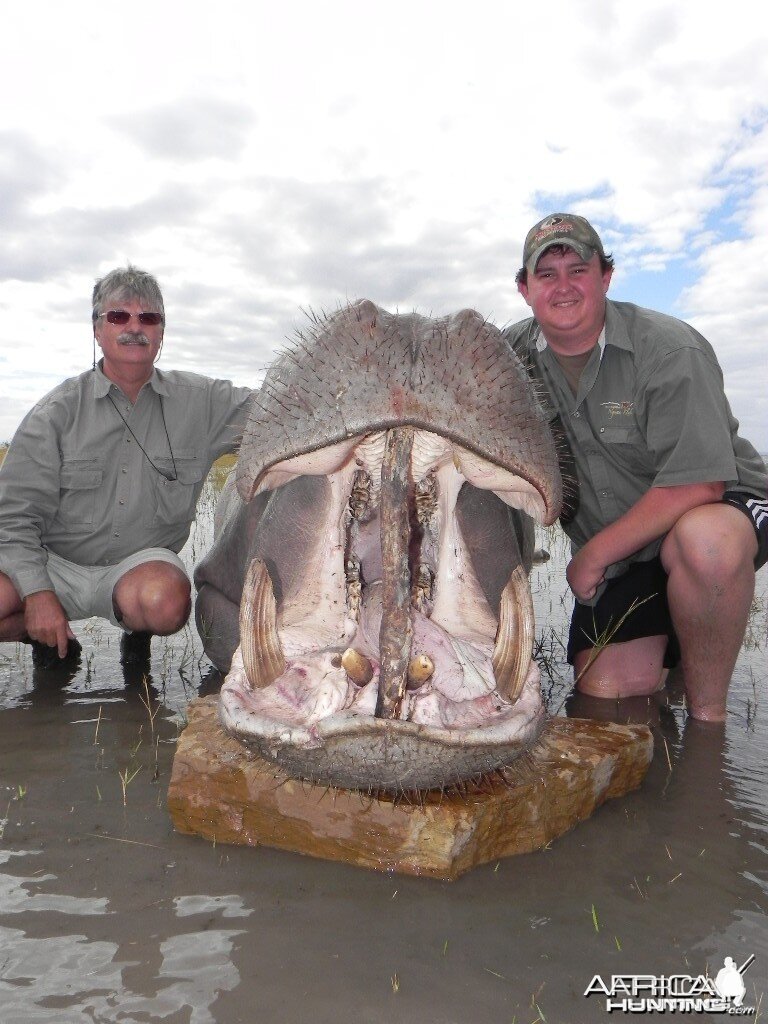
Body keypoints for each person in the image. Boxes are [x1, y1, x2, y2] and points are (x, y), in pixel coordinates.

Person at [504, 214, 767, 722]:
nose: (563, 287)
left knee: (704, 544)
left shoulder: (669, 349)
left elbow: (699, 481)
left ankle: (709, 724)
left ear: (606, 276)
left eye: (578, 270)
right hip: (630, 552)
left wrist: (594, 554)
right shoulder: (505, 357)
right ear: (524, 288)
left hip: (716, 508)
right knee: (607, 698)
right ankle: (677, 652)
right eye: (547, 273)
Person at [0, 266, 252, 673]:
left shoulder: (204, 402)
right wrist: (38, 595)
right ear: (97, 329)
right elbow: (12, 519)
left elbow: (283, 410)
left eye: (148, 318)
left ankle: (139, 639)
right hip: (55, 562)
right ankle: (46, 635)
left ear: (162, 332)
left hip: (140, 569)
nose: (134, 328)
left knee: (167, 602)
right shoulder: (54, 413)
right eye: (119, 316)